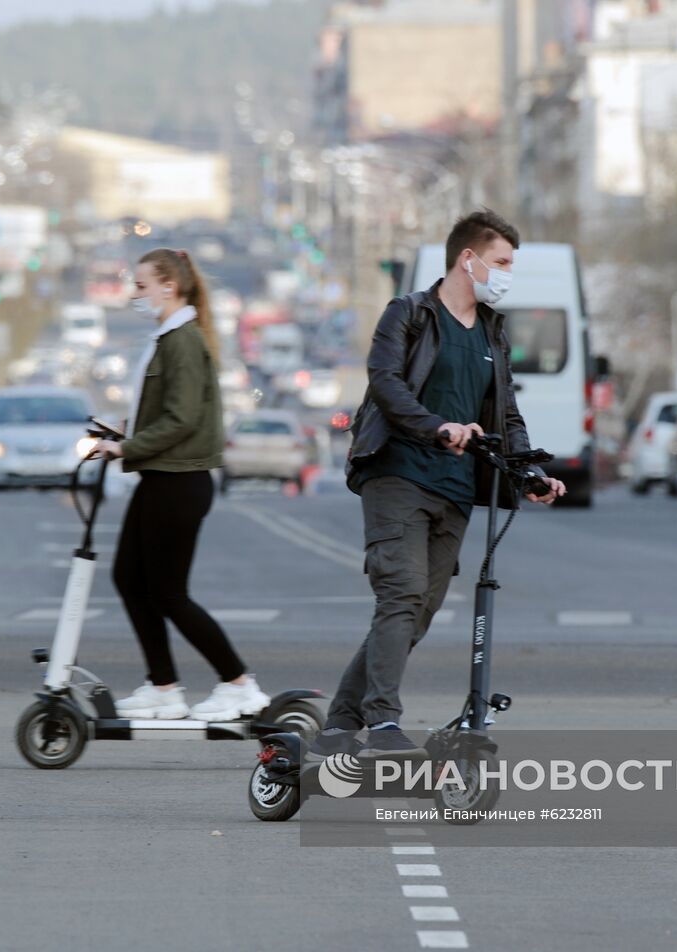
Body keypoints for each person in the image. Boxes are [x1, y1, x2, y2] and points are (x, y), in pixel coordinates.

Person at [311, 209, 566, 761]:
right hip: (397, 474)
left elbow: (507, 414)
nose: (506, 275)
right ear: (466, 259)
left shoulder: (493, 332)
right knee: (399, 594)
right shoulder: (409, 314)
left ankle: (338, 724)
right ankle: (382, 725)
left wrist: (530, 473)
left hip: (454, 489)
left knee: (415, 614)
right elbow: (385, 383)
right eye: (500, 262)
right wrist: (436, 427)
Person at [88, 248, 270, 721]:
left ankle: (239, 683)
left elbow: (183, 418)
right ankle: (164, 686)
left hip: (180, 481)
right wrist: (120, 433)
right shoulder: (168, 337)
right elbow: (162, 409)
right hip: (162, 478)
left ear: (170, 286)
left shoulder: (183, 340)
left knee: (169, 593)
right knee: (129, 579)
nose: (136, 293)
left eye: (142, 285)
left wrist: (125, 448)